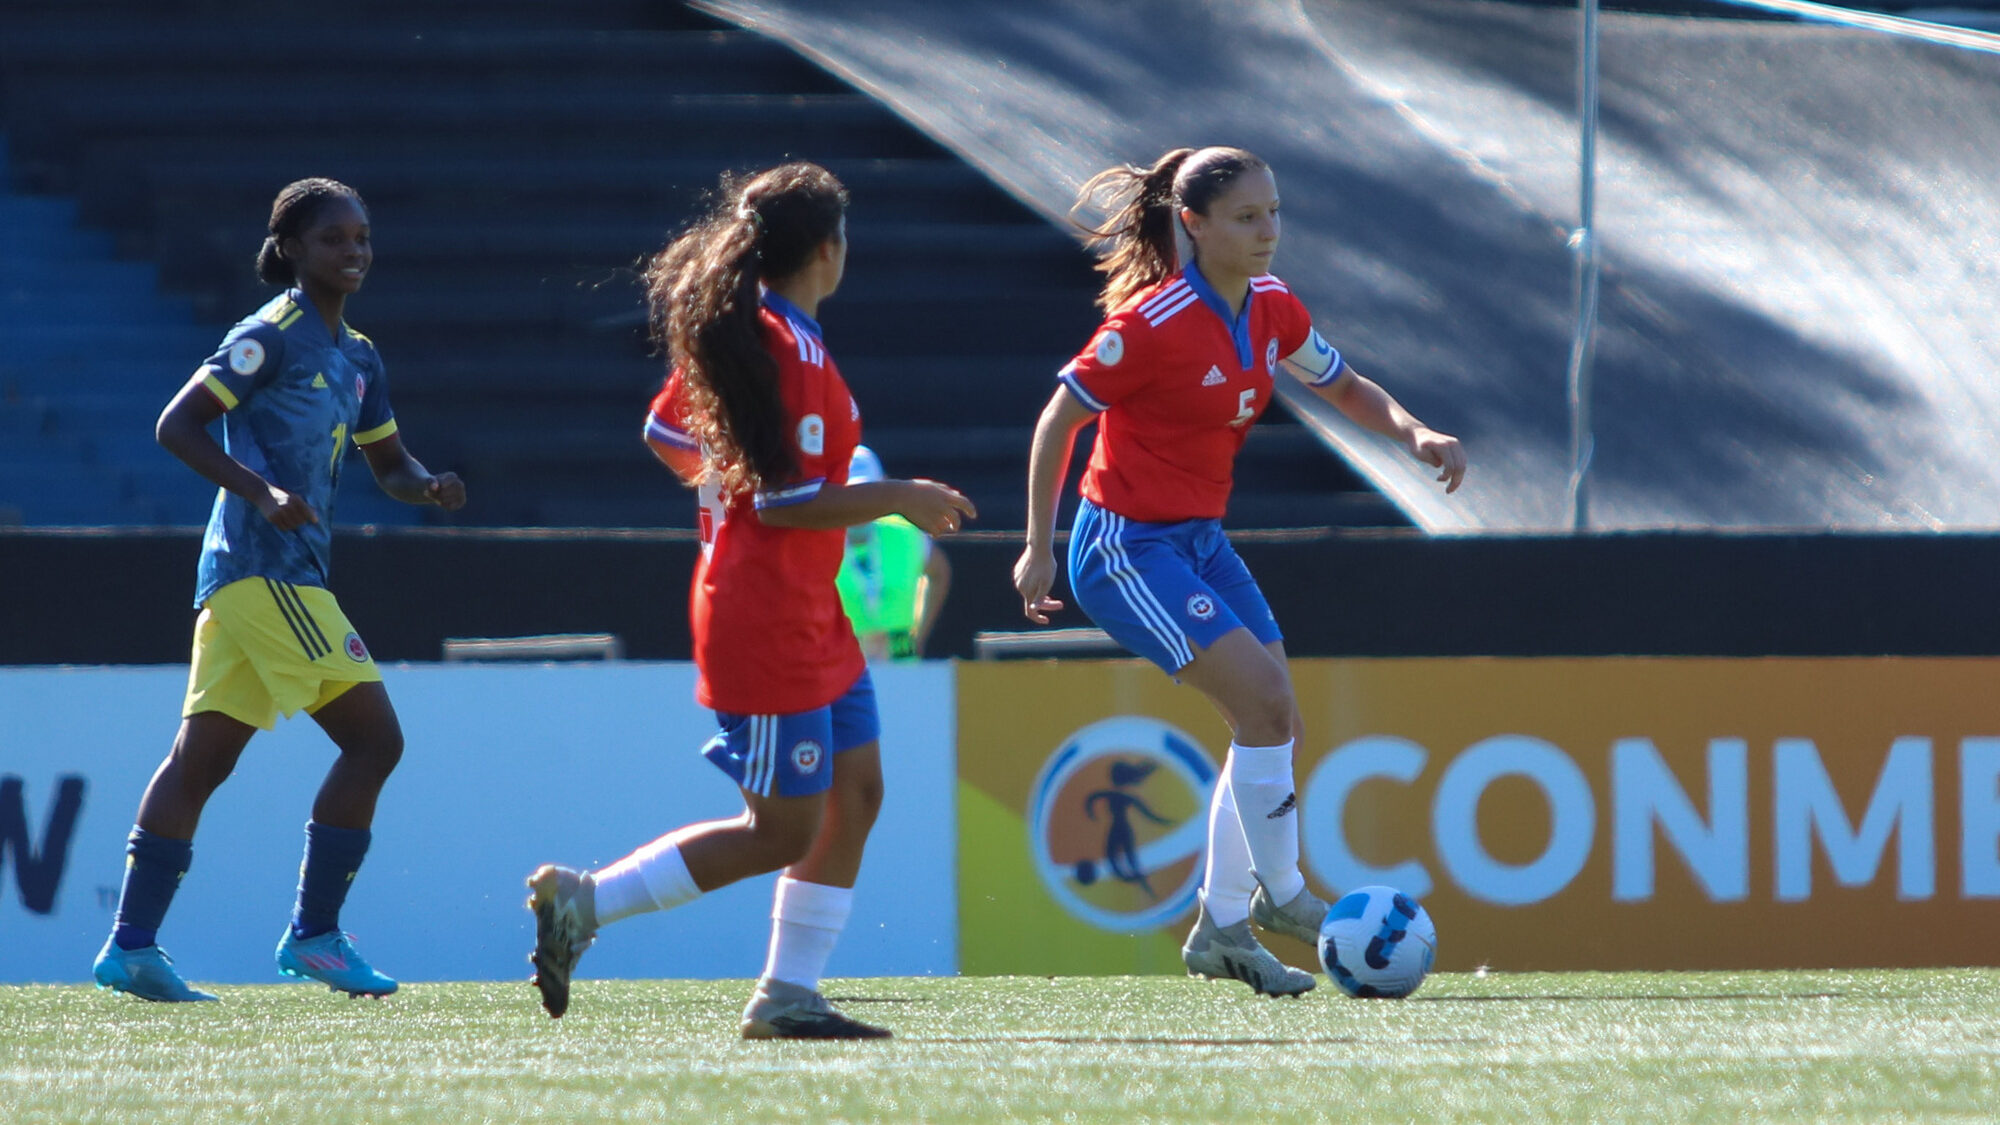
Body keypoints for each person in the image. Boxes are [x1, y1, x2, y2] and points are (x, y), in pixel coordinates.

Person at [524, 162, 975, 1039]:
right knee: (779, 829)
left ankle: (787, 992)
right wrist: (898, 495)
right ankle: (587, 900)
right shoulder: (784, 345)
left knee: (860, 791)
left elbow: (665, 432)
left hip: (812, 611)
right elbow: (783, 502)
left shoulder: (750, 330)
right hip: (766, 619)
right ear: (828, 248)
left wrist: (725, 491)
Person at [1012, 146, 1466, 998]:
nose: (1268, 232)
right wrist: (1039, 544)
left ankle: (1222, 925)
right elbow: (1056, 421)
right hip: (1124, 544)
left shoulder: (1271, 308)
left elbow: (1345, 386)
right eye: (1248, 217)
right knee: (1262, 705)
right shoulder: (1150, 324)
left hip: (1199, 540)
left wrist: (1413, 432)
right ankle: (1285, 895)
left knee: (1275, 718)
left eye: (1275, 212)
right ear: (1194, 225)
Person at [91, 178, 467, 1003]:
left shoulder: (359, 356)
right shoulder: (270, 336)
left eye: (362, 237)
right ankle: (315, 935)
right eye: (335, 238)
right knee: (375, 740)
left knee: (199, 764)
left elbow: (388, 464)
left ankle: (130, 945)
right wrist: (260, 491)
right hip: (267, 569)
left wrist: (427, 483)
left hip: (260, 580)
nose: (355, 251)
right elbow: (176, 424)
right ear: (292, 250)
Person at [836, 444, 952, 661]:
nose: (861, 502)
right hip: (841, 672)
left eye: (868, 492)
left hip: (902, 668)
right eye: (852, 493)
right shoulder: (817, 541)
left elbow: (939, 573)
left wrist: (918, 636)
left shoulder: (905, 533)